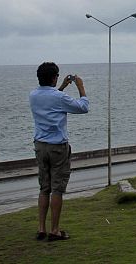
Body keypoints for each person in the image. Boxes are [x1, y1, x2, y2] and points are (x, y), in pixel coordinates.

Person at [29, 62, 89, 241]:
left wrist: (62, 86)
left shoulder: (33, 95)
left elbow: (51, 96)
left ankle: (41, 228)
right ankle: (54, 230)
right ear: (54, 77)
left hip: (40, 145)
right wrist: (80, 87)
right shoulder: (59, 98)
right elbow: (83, 107)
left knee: (44, 188)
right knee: (57, 189)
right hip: (57, 147)